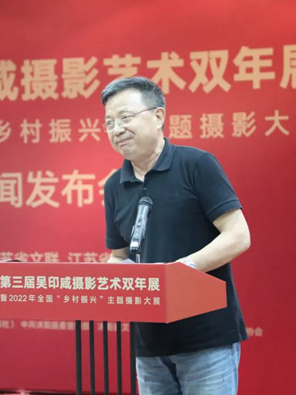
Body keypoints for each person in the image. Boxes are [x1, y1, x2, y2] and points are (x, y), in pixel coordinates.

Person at [101, 76, 251, 395]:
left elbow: (238, 235)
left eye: (125, 117)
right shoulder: (114, 185)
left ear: (158, 116)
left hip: (206, 339)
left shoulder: (196, 164)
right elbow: (120, 255)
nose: (117, 129)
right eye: (109, 123)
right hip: (148, 343)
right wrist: (104, 285)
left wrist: (179, 272)